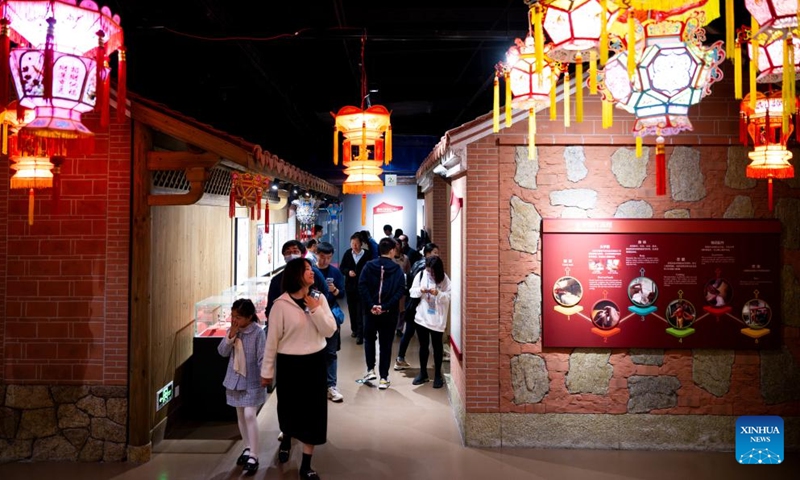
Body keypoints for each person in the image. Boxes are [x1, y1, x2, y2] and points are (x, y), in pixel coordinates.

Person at [260, 258, 336, 480]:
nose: (312, 272)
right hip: (289, 364)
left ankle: (306, 464)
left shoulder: (318, 298)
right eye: (306, 269)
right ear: (296, 275)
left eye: (311, 269)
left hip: (315, 362)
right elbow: (271, 342)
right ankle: (286, 438)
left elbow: (330, 330)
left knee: (314, 412)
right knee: (288, 408)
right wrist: (267, 372)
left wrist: (315, 310)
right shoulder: (280, 305)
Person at [218, 299, 266, 476]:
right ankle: (246, 448)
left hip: (253, 380)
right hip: (234, 379)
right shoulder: (233, 331)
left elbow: (262, 355)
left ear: (249, 316)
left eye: (238, 316)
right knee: (240, 414)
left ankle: (254, 454)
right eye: (232, 315)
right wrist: (231, 335)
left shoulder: (258, 333)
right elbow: (222, 352)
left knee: (249, 414)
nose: (234, 319)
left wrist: (265, 375)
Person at [358, 237, 405, 389]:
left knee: (369, 340)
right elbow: (400, 291)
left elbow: (362, 286)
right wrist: (384, 306)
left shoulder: (368, 266)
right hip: (389, 313)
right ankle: (384, 378)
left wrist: (372, 305)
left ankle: (370, 370)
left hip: (369, 312)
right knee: (386, 344)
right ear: (392, 251)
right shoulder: (397, 268)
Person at [395, 243, 439, 371]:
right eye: (434, 252)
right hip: (419, 305)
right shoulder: (425, 268)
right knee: (419, 334)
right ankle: (401, 359)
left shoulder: (416, 263)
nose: (437, 255)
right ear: (427, 254)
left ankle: (400, 358)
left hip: (413, 304)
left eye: (438, 252)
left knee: (409, 332)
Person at [409, 255, 451, 389]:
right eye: (428, 271)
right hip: (422, 317)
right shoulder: (421, 275)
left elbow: (449, 297)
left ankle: (438, 375)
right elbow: (412, 292)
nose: (429, 273)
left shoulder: (444, 279)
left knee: (437, 347)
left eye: (432, 271)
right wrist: (420, 290)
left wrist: (438, 293)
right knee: (423, 346)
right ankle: (423, 373)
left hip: (437, 319)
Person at [315, 241, 346, 403]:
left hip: (330, 317)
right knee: (313, 351)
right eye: (322, 256)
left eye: (328, 257)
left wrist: (334, 289)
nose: (325, 260)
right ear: (316, 254)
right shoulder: (311, 271)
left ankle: (331, 386)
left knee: (331, 352)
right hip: (311, 317)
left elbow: (342, 295)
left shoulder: (335, 272)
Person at [339, 233, 370, 344]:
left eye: (356, 244)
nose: (354, 246)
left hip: (363, 287)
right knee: (352, 309)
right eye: (352, 243)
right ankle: (354, 330)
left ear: (361, 244)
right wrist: (348, 272)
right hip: (350, 287)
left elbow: (370, 270)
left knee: (361, 310)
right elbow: (342, 267)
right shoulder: (348, 253)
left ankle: (360, 334)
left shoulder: (367, 254)